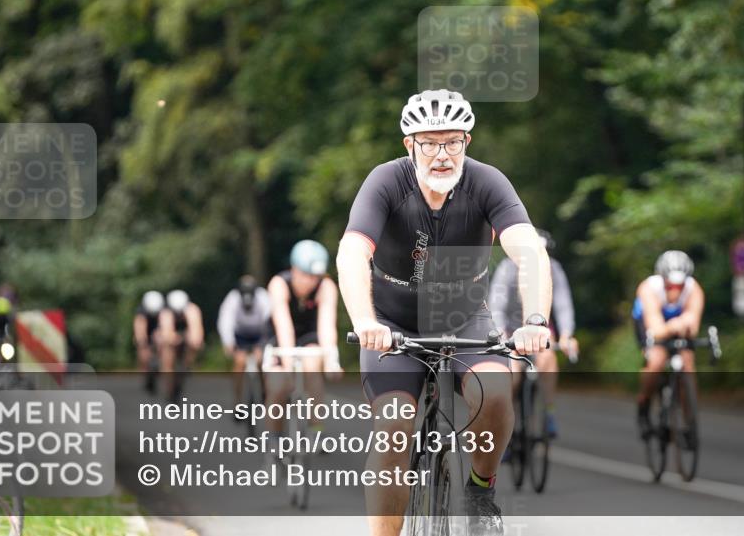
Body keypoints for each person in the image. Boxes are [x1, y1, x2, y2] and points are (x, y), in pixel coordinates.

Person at [338, 89, 552, 536]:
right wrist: (364, 321)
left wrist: (534, 321)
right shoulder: (386, 181)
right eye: (429, 142)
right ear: (409, 145)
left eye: (452, 141)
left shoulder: (487, 182)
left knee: (495, 392)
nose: (441, 154)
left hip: (464, 321)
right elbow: (352, 252)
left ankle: (479, 489)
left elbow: (529, 251)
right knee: (394, 427)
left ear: (466, 143)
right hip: (393, 326)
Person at [488, 228, 578, 439]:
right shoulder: (507, 269)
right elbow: (496, 305)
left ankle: (549, 410)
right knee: (512, 370)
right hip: (510, 330)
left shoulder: (554, 269)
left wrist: (566, 334)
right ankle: (506, 421)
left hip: (540, 328)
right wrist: (500, 333)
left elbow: (563, 305)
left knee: (547, 358)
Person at [265, 240, 343, 435]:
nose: (311, 282)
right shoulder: (279, 283)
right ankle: (273, 439)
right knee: (279, 385)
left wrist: (331, 360)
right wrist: (288, 365)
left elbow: (326, 326)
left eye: (316, 276)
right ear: (294, 269)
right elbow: (284, 327)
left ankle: (316, 426)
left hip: (308, 336)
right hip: (277, 338)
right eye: (306, 275)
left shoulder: (326, 286)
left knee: (313, 364)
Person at [632, 250, 704, 440]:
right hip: (649, 322)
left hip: (674, 324)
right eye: (670, 284)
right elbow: (655, 329)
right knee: (656, 360)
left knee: (687, 364)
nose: (675, 290)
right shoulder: (648, 288)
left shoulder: (694, 289)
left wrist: (683, 324)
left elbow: (693, 326)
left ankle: (690, 422)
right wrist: (677, 324)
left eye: (680, 285)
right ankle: (644, 404)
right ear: (662, 279)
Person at [217, 275, 272, 411]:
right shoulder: (233, 298)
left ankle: (266, 391)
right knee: (239, 363)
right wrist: (228, 342)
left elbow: (270, 319)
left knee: (262, 362)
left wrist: (266, 345)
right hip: (240, 335)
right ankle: (238, 401)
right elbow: (225, 320)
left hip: (260, 334)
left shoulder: (263, 297)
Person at [159, 289, 204, 402]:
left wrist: (194, 342)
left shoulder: (192, 309)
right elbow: (166, 333)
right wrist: (173, 339)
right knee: (167, 354)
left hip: (186, 334)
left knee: (194, 344)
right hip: (171, 335)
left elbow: (196, 330)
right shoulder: (166, 312)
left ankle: (187, 365)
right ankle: (169, 388)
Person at [133, 290, 165, 393]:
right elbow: (139, 331)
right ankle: (145, 372)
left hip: (159, 328)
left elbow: (165, 328)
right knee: (141, 346)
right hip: (146, 329)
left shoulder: (164, 312)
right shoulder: (141, 313)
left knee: (162, 342)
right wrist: (142, 343)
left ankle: (161, 365)